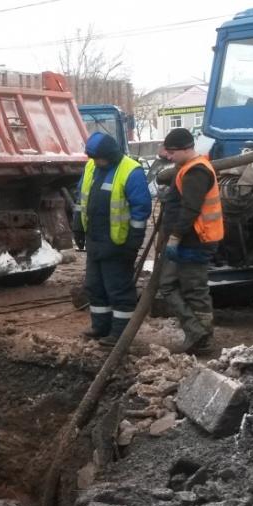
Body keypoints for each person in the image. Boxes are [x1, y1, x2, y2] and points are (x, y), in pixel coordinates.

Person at [77, 133, 152, 347]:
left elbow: (141, 210)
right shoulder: (92, 167)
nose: (94, 162)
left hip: (117, 244)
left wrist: (133, 243)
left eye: (97, 158)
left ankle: (120, 333)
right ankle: (101, 326)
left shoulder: (131, 171)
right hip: (95, 241)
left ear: (109, 155)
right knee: (94, 287)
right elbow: (81, 198)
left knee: (118, 289)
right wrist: (77, 227)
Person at [157, 127, 223, 356]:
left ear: (186, 149)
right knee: (167, 284)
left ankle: (203, 338)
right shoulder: (187, 168)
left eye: (173, 152)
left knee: (195, 291)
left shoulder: (197, 171)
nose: (170, 156)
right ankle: (195, 330)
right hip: (189, 240)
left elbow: (191, 209)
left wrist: (175, 237)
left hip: (196, 241)